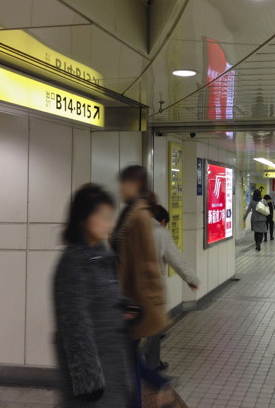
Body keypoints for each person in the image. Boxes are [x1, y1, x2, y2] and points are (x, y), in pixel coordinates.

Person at [53, 184, 137, 407]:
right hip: (93, 385)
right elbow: (74, 325)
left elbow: (101, 301)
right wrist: (89, 382)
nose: (110, 224)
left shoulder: (102, 256)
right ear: (83, 219)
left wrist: (124, 308)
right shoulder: (73, 264)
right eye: (103, 217)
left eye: (111, 217)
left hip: (113, 367)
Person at [111, 165, 173, 407]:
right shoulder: (129, 212)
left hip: (134, 301)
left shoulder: (139, 215)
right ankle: (159, 384)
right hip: (126, 298)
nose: (121, 189)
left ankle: (157, 385)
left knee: (129, 359)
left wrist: (148, 304)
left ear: (135, 184)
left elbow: (147, 262)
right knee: (130, 358)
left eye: (124, 183)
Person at [142, 205, 200, 372]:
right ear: (163, 221)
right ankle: (151, 363)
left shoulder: (134, 228)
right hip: (151, 288)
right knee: (154, 326)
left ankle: (143, 362)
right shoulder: (160, 233)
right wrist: (192, 279)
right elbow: (176, 259)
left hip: (130, 288)